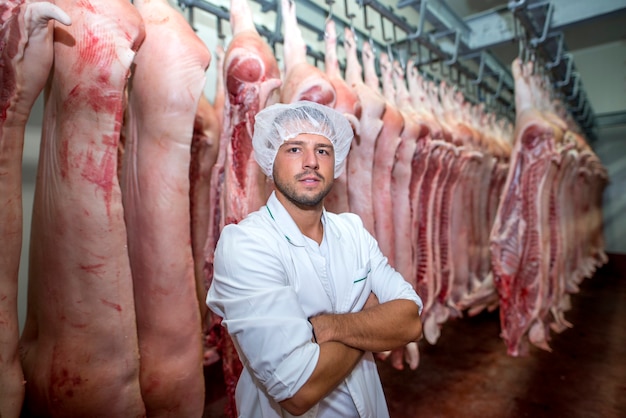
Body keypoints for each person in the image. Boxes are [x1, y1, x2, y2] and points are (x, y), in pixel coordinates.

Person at [206, 100, 423, 418]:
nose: (311, 162)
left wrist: (329, 326)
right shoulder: (246, 244)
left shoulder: (353, 231)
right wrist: (372, 321)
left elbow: (411, 321)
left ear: (335, 163)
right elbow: (297, 390)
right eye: (294, 149)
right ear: (270, 162)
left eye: (323, 150)